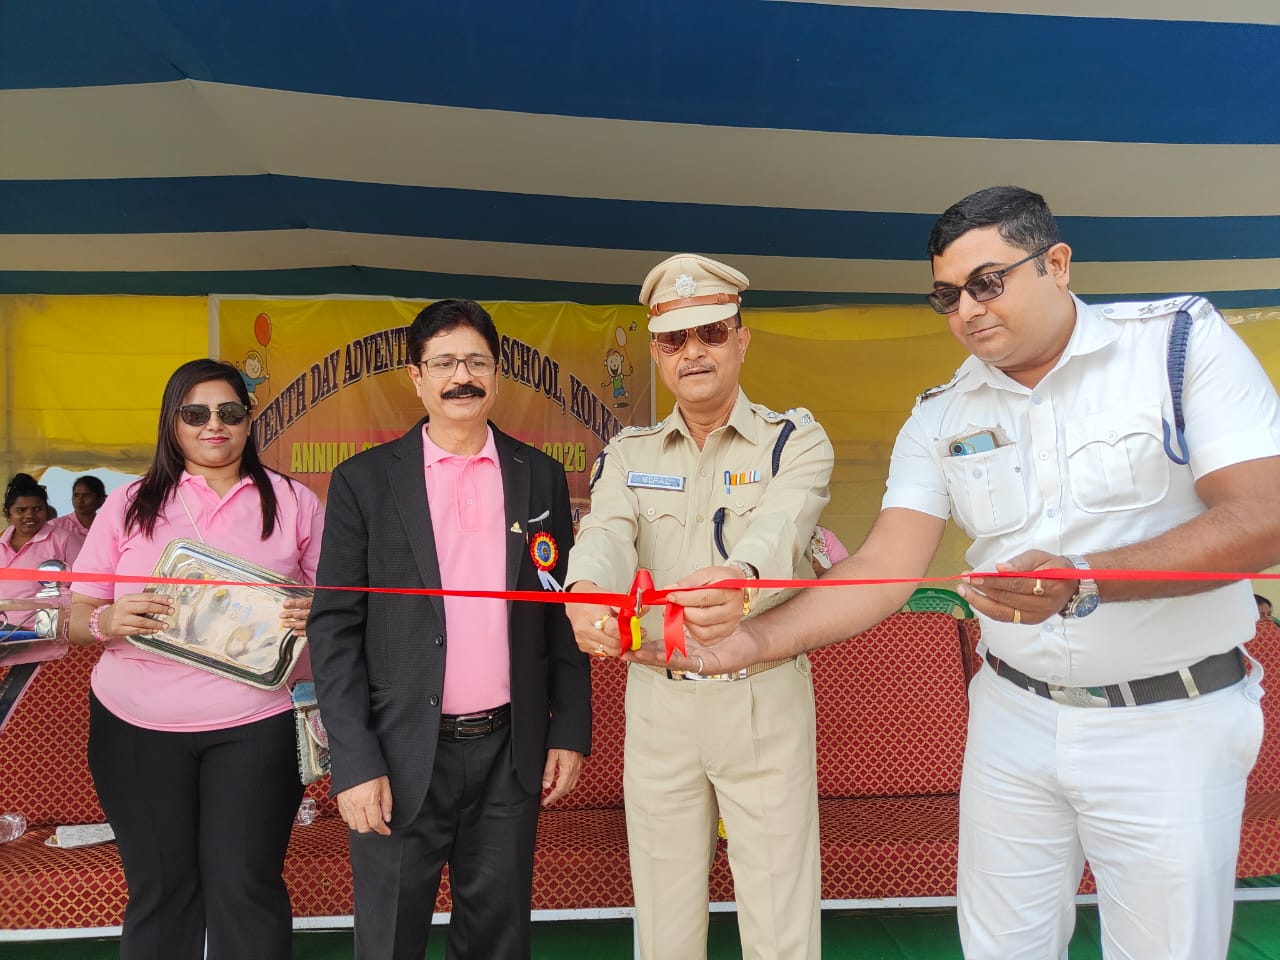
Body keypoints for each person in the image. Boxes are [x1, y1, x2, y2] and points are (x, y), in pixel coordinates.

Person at [647, 187, 1280, 960]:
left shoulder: (1176, 345)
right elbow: (883, 568)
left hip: (1169, 721)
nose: (968, 311)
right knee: (1000, 948)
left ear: (1056, 264)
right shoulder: (942, 411)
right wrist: (749, 643)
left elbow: (1263, 516)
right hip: (1012, 715)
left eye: (988, 282)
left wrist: (1083, 578)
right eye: (947, 296)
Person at [565, 254, 835, 960]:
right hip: (660, 699)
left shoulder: (793, 441)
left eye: (711, 333)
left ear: (741, 339)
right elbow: (606, 532)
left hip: (761, 698)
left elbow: (782, 528)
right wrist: (586, 593)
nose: (693, 352)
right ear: (656, 352)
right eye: (674, 339)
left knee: (781, 922)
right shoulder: (629, 453)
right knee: (664, 922)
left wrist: (739, 581)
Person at [307, 299, 590, 960]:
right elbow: (334, 631)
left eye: (475, 362)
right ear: (416, 377)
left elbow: (562, 612)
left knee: (498, 940)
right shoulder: (363, 482)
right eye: (443, 364)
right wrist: (354, 761)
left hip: (509, 752)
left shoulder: (539, 476)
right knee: (389, 942)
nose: (461, 377)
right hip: (398, 755)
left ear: (496, 374)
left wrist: (569, 729)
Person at [68, 359, 323, 960]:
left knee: (246, 889)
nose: (215, 425)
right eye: (196, 413)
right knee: (161, 891)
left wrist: (317, 613)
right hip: (133, 727)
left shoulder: (294, 501)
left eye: (230, 411)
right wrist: (107, 620)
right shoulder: (129, 503)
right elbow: (78, 615)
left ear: (249, 420)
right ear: (172, 422)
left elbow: (338, 608)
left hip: (254, 727)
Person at [1, 472, 82, 600]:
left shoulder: (64, 540)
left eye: (37, 509)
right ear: (7, 513)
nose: (30, 515)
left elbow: (85, 586)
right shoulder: (1, 538)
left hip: (48, 613)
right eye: (21, 510)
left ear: (46, 510)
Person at [49, 474, 107, 553]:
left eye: (86, 495)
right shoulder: (54, 526)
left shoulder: (107, 527)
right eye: (76, 495)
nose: (80, 500)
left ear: (101, 500)